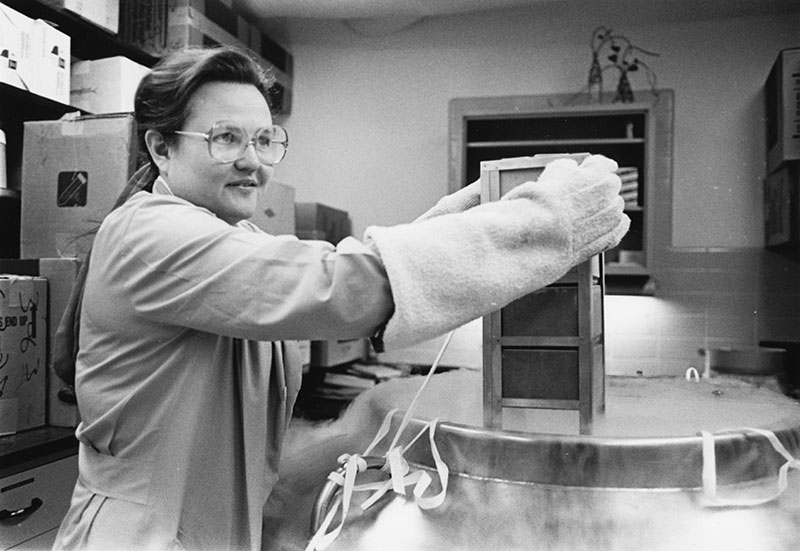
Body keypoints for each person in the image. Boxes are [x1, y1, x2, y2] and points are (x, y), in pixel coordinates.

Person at [52, 45, 629, 551]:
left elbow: (329, 277)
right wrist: (549, 225)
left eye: (264, 139)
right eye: (225, 138)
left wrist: (463, 219)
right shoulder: (147, 235)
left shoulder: (236, 240)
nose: (252, 160)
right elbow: (339, 289)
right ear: (161, 148)